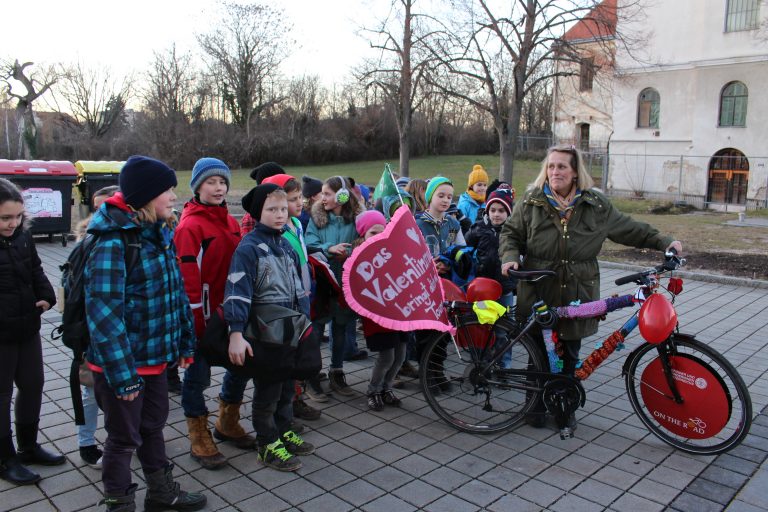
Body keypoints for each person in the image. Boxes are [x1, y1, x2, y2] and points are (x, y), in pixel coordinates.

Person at [499, 145, 683, 429]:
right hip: (539, 286)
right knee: (537, 351)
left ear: (575, 172)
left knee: (570, 352)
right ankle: (533, 407)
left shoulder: (595, 205)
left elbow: (629, 228)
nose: (555, 172)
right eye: (551, 166)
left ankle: (564, 409)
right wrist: (510, 257)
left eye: (562, 166)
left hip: (578, 289)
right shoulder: (532, 201)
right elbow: (511, 233)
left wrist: (663, 241)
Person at [84, 156, 206, 511]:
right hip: (123, 366)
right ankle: (119, 503)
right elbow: (104, 318)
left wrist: (184, 343)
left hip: (154, 359)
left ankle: (161, 493)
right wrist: (122, 378)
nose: (174, 195)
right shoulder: (113, 241)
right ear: (147, 195)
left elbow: (176, 294)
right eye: (167, 190)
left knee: (153, 428)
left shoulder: (159, 231)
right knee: (123, 440)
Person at [224, 184, 315, 472]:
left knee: (288, 386)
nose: (280, 215)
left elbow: (299, 288)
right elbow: (237, 292)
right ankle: (267, 443)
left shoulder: (285, 244)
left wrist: (304, 323)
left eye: (282, 208)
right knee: (268, 391)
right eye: (271, 209)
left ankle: (283, 429)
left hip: (291, 331)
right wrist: (236, 333)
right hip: (265, 333)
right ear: (257, 213)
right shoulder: (249, 248)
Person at [175, 157, 254, 470]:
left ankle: (227, 422)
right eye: (211, 182)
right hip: (204, 320)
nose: (218, 187)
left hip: (232, 314)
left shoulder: (231, 222)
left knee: (241, 367)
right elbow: (188, 280)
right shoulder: (190, 226)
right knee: (197, 378)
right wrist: (196, 322)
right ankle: (199, 435)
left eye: (222, 182)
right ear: (198, 187)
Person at [0, 178, 65, 486]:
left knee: (33, 384)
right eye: (5, 218)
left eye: (18, 217)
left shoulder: (23, 237)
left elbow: (37, 269)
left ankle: (28, 447)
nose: (13, 223)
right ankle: (5, 458)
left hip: (27, 326)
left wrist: (47, 296)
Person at [260, 173, 322, 422]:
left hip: (302, 300)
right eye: (293, 199)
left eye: (298, 198)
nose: (299, 203)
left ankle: (294, 401)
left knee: (296, 359)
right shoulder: (278, 233)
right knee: (282, 367)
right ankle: (279, 417)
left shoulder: (296, 225)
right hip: (284, 308)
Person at [305, 176, 364, 397]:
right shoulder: (317, 217)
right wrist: (329, 248)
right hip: (323, 283)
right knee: (317, 329)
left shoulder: (357, 220)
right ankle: (312, 376)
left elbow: (364, 242)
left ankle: (337, 372)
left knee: (340, 328)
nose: (323, 198)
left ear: (342, 196)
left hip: (347, 283)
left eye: (328, 193)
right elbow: (309, 243)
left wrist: (350, 252)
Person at [74, 185, 119, 469]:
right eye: (98, 207)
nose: (103, 212)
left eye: (109, 206)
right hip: (90, 332)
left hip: (123, 331)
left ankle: (124, 438)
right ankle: (86, 441)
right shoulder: (85, 245)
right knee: (91, 391)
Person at [352, 210, 408, 410]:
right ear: (363, 236)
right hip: (378, 318)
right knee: (387, 356)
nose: (378, 236)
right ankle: (373, 390)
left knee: (401, 354)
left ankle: (387, 387)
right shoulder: (358, 259)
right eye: (372, 233)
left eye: (381, 231)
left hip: (399, 313)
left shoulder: (393, 250)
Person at [465, 184, 517, 368]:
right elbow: (465, 247)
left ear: (508, 212)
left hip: (504, 287)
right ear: (487, 210)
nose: (496, 214)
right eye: (493, 210)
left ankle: (504, 365)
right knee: (481, 325)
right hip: (482, 288)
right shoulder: (479, 228)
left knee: (504, 328)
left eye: (501, 210)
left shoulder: (514, 231)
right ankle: (481, 363)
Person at [416, 177, 466, 278]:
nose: (445, 200)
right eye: (441, 196)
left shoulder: (454, 224)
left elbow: (463, 251)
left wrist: (449, 263)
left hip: (449, 278)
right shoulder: (417, 225)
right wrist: (429, 265)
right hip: (425, 279)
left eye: (449, 197)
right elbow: (411, 254)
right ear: (430, 196)